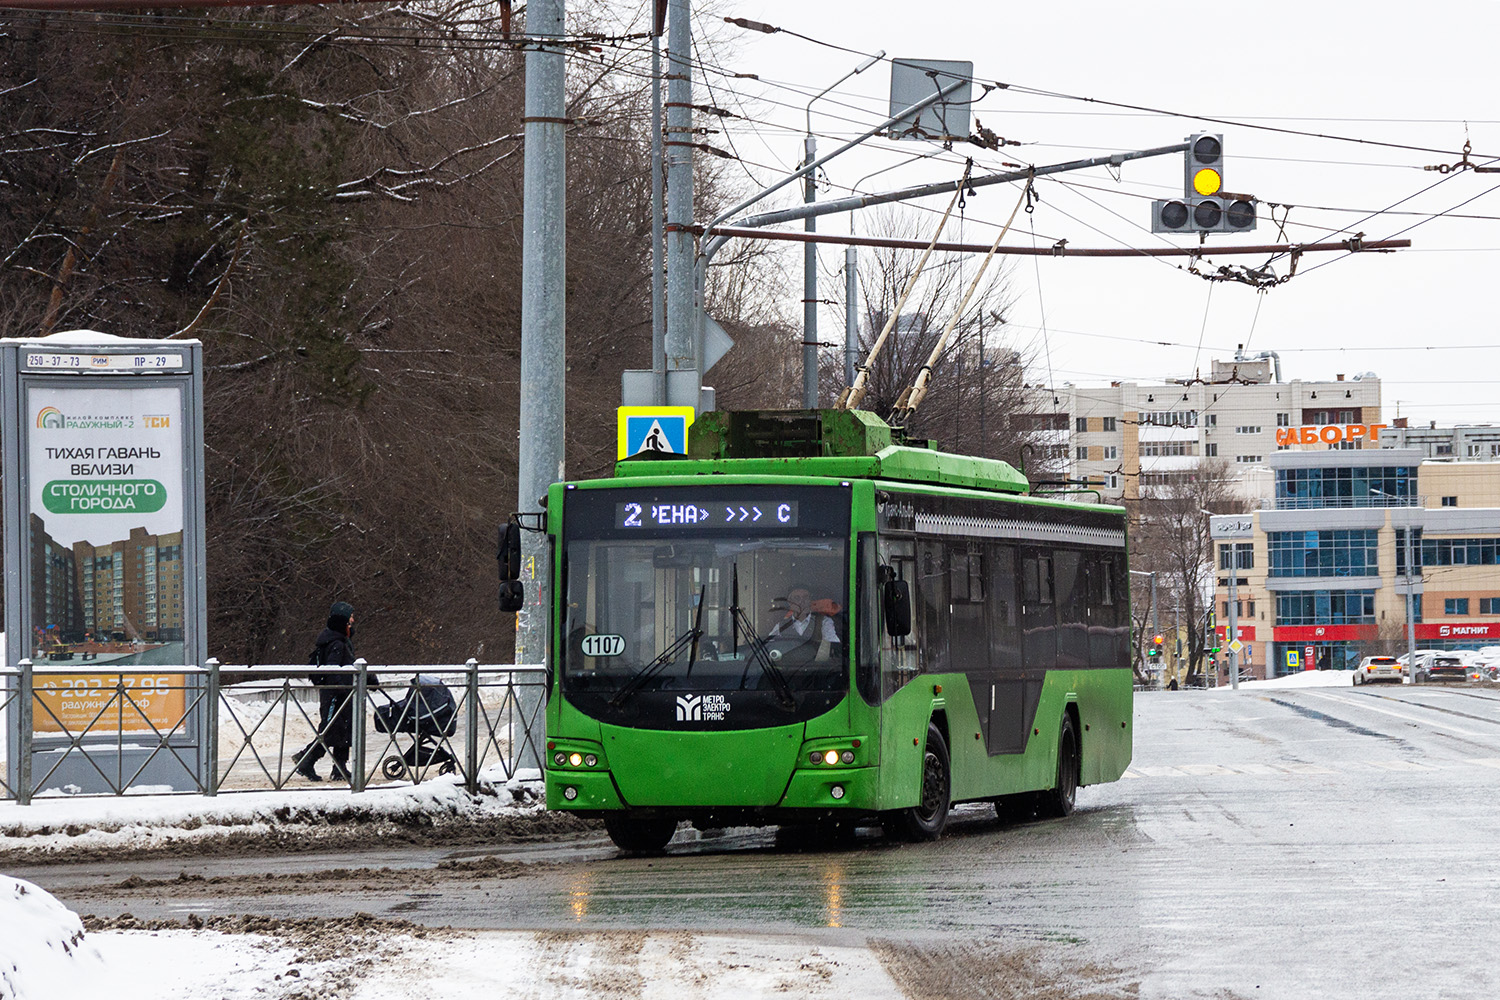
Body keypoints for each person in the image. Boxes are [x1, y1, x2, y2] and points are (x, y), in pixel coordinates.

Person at [293, 601, 375, 782]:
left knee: (344, 730)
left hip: (343, 693)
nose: (353, 620)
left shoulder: (340, 640)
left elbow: (349, 665)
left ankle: (339, 768)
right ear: (343, 619)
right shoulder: (336, 643)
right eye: (350, 617)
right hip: (336, 695)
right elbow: (334, 670)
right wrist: (343, 687)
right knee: (330, 730)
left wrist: (367, 678)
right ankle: (306, 760)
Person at [767, 586, 840, 662]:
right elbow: (769, 647)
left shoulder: (823, 622)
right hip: (788, 671)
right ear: (790, 603)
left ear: (810, 601)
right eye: (797, 598)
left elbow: (833, 645)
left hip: (816, 671)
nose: (802, 601)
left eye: (805, 598)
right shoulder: (781, 625)